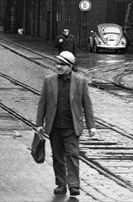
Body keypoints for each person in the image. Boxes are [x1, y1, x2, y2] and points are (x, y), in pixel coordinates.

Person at [35, 51, 96, 196]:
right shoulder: (49, 80)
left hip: (72, 126)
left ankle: (74, 185)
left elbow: (87, 105)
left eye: (62, 64)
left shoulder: (80, 82)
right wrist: (39, 124)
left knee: (72, 155)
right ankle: (61, 184)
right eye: (57, 63)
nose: (58, 67)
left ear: (70, 66)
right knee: (57, 157)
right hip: (54, 127)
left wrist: (91, 126)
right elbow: (42, 103)